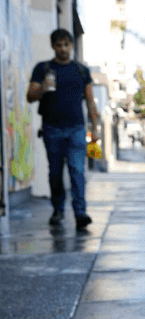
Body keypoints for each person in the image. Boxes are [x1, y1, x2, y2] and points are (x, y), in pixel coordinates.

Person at [27, 29, 99, 230]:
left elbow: (90, 100)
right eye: (59, 45)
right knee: (55, 173)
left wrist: (95, 127)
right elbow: (30, 96)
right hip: (52, 129)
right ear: (53, 46)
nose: (63, 49)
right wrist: (42, 88)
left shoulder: (81, 70)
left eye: (66, 45)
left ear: (71, 46)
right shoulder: (43, 68)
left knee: (77, 171)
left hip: (76, 128)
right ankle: (58, 210)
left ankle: (80, 213)